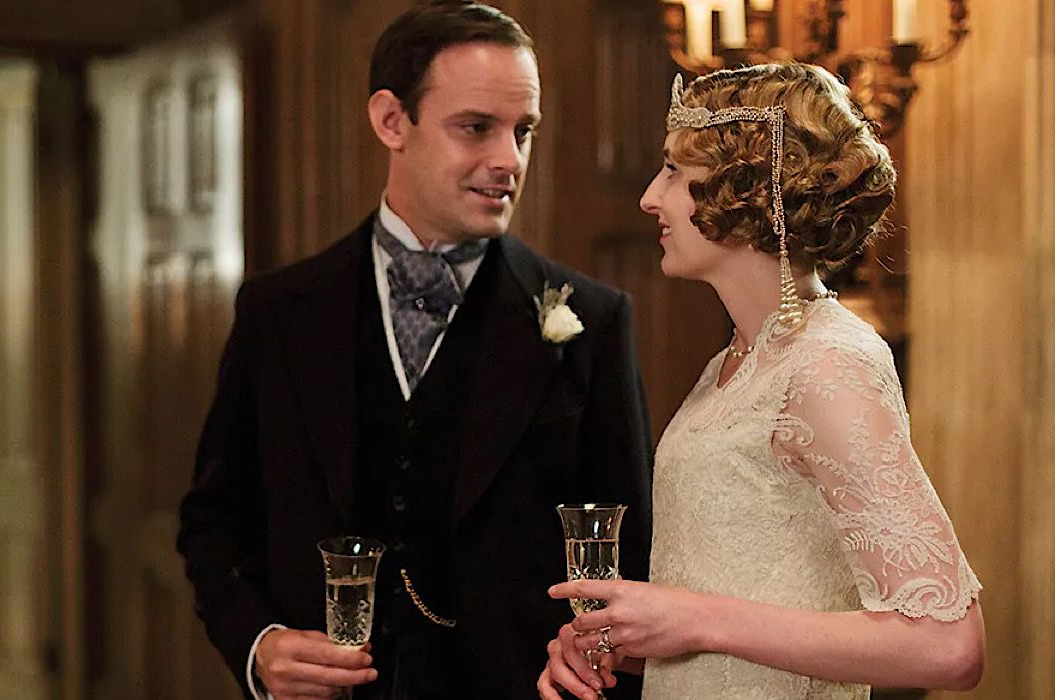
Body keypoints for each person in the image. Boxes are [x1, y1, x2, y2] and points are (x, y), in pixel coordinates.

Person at [176, 2, 654, 698]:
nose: (508, 160)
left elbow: (628, 558)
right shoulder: (279, 312)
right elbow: (214, 523)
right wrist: (261, 645)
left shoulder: (594, 321)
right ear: (391, 120)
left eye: (524, 131)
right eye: (476, 128)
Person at [538, 63, 985, 700]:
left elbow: (947, 643)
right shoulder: (736, 364)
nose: (648, 197)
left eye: (673, 172)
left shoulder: (828, 365)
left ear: (742, 194)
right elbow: (750, 616)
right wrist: (626, 641)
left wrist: (690, 618)